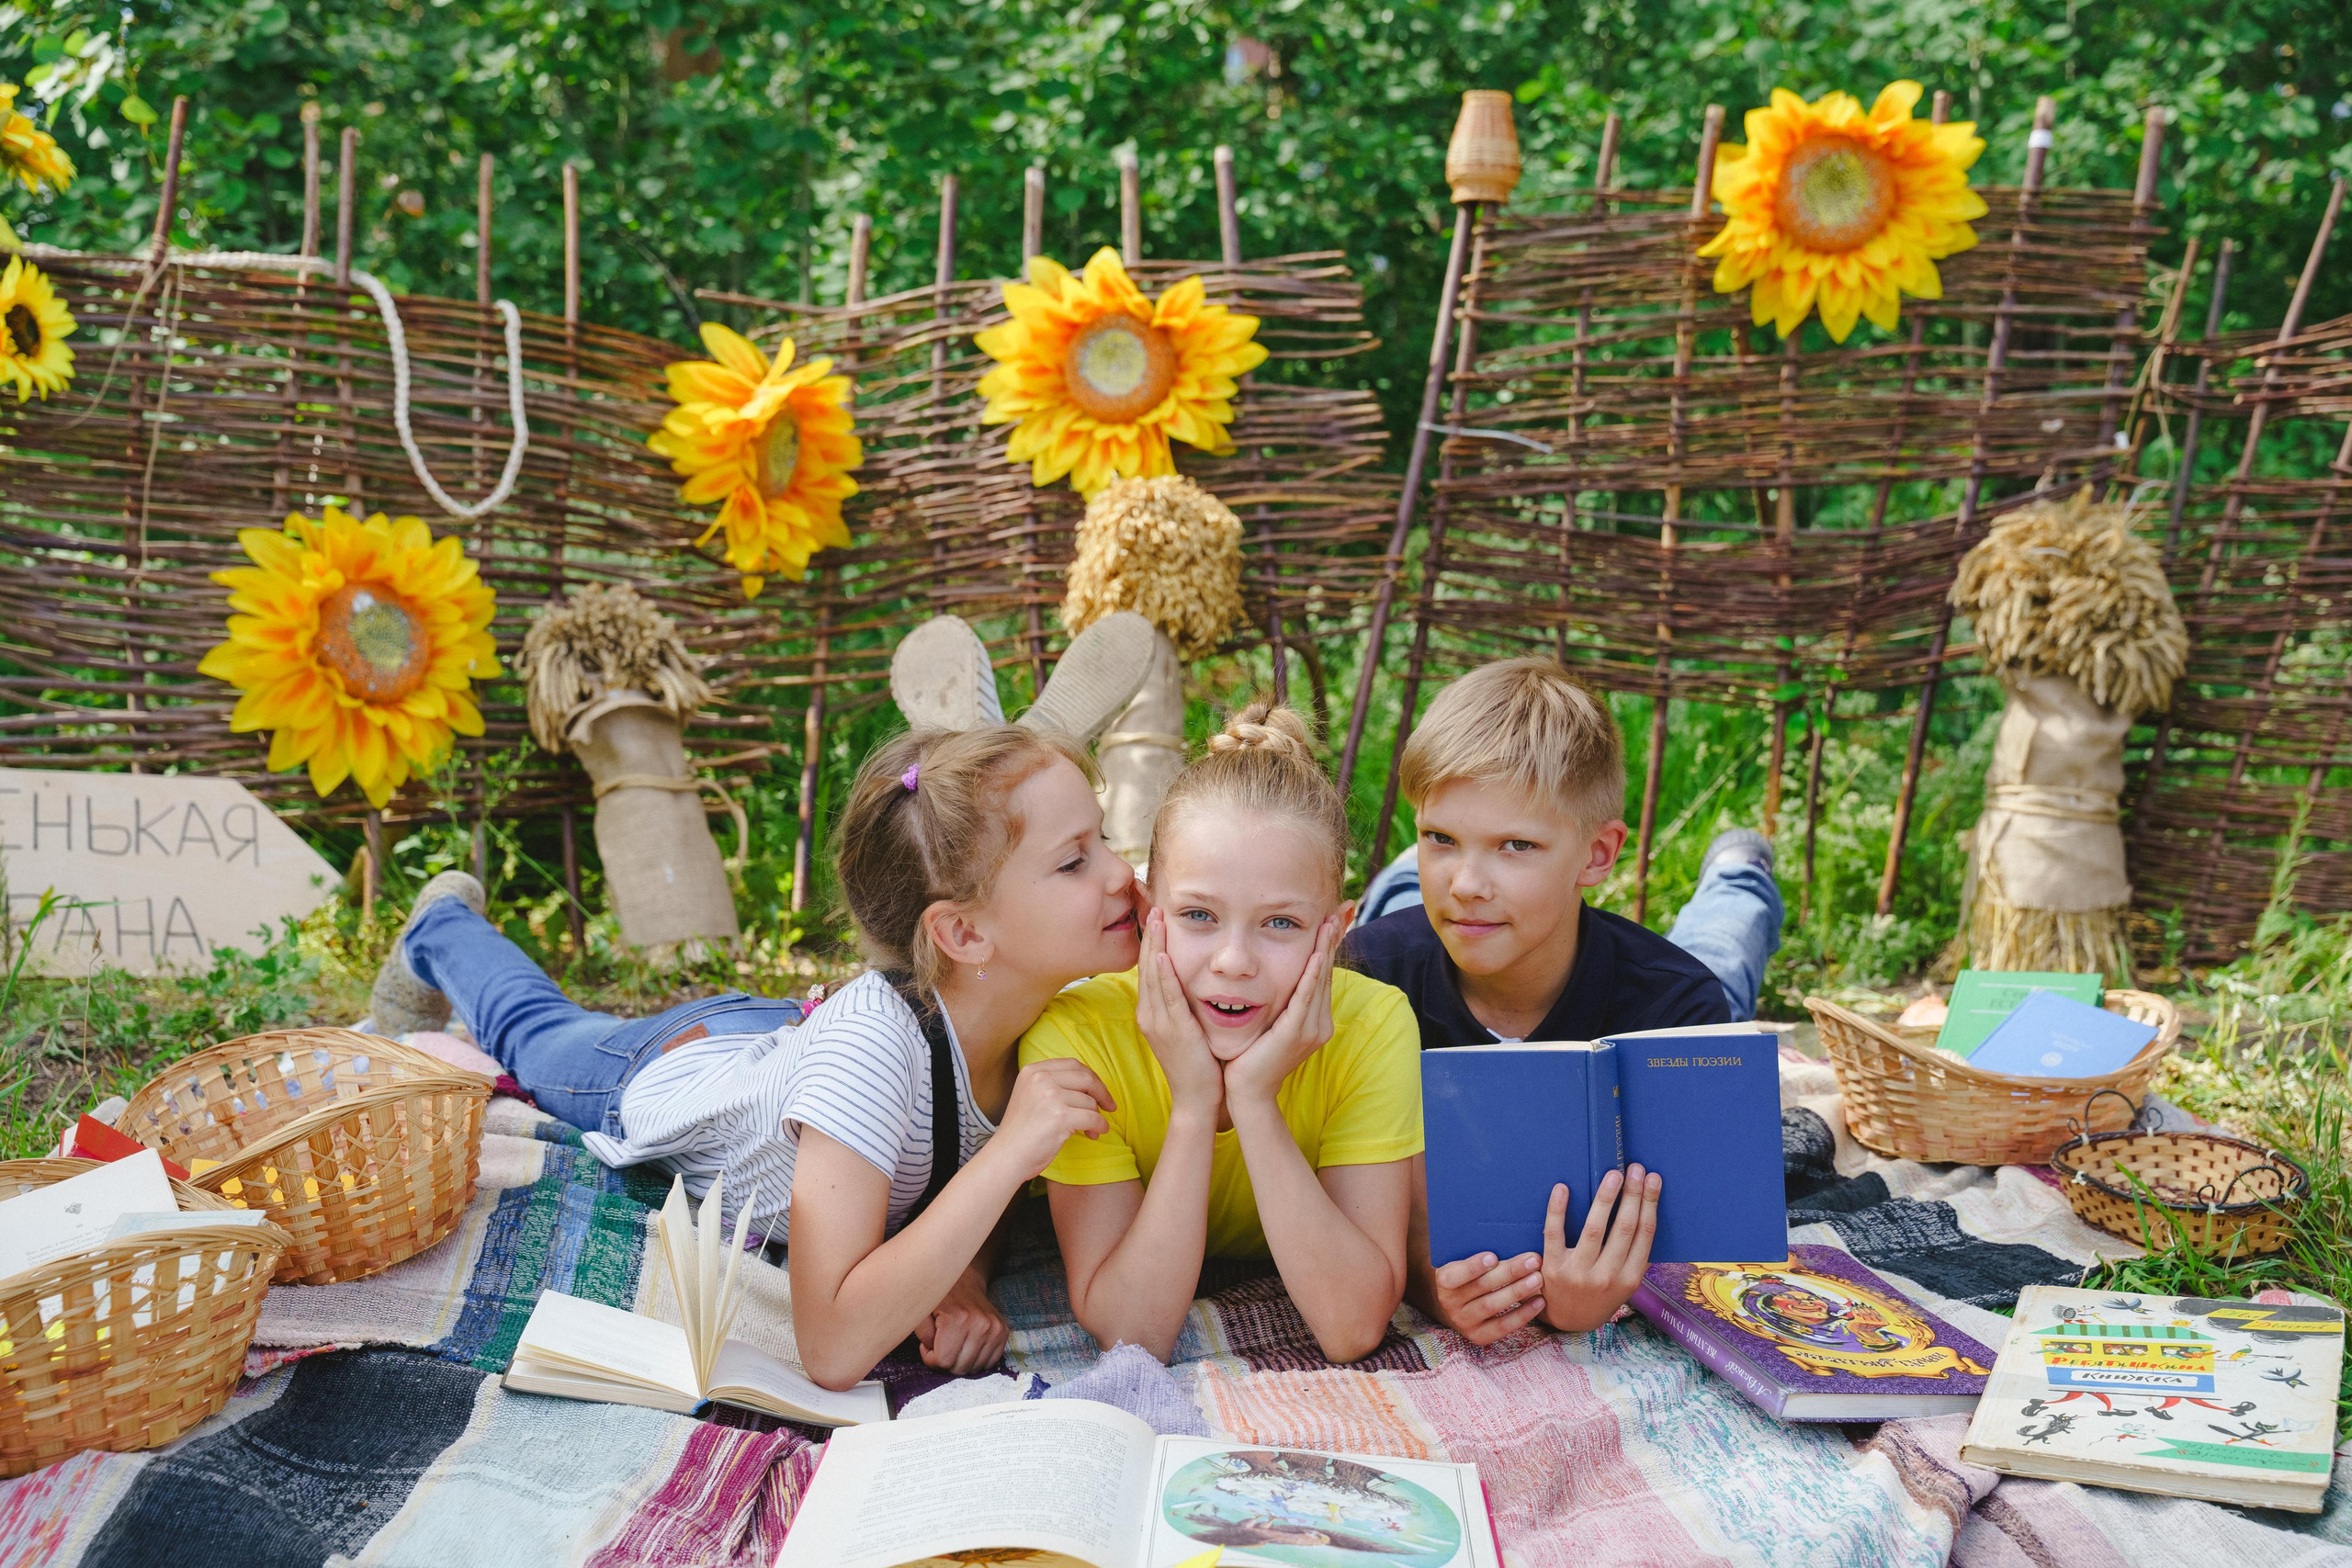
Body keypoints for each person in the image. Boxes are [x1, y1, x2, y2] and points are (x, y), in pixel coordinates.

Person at [368, 724, 1140, 1390]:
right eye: (1075, 861)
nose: (1121, 873)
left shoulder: (1042, 1013)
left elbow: (962, 1164)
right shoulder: (871, 1053)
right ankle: (439, 928)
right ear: (964, 935)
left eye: (1104, 837)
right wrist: (1010, 1155)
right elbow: (832, 1345)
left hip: (789, 1040)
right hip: (668, 1068)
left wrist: (965, 1273)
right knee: (536, 1033)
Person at [1345, 657, 1782, 1348]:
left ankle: (1737, 873)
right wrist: (1431, 1288)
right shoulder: (1367, 974)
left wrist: (1601, 1296)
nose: (1466, 881)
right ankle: (1408, 873)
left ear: (1597, 853)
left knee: (1722, 953)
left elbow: (1694, 1228)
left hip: (1648, 962)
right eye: (1439, 836)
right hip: (1428, 933)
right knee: (1422, 906)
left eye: (1516, 844)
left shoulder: (1679, 1003)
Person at [1019, 704, 1422, 1365]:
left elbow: (1351, 1325)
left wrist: (1256, 1100)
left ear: (1336, 928)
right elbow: (1131, 1333)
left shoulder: (1372, 1025)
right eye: (1199, 914)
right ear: (1151, 913)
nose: (1234, 960)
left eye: (1281, 924)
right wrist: (1195, 1103)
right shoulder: (1079, 1036)